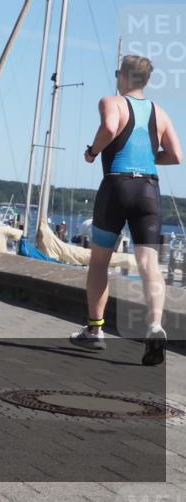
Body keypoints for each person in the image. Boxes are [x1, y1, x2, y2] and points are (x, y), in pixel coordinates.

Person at [71, 55, 181, 366]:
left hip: (116, 186)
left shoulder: (112, 101)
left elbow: (109, 127)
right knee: (150, 264)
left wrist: (92, 152)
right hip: (148, 189)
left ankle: (95, 331)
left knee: (99, 262)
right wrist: (147, 157)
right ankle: (155, 326)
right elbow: (175, 156)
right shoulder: (160, 113)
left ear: (123, 77)